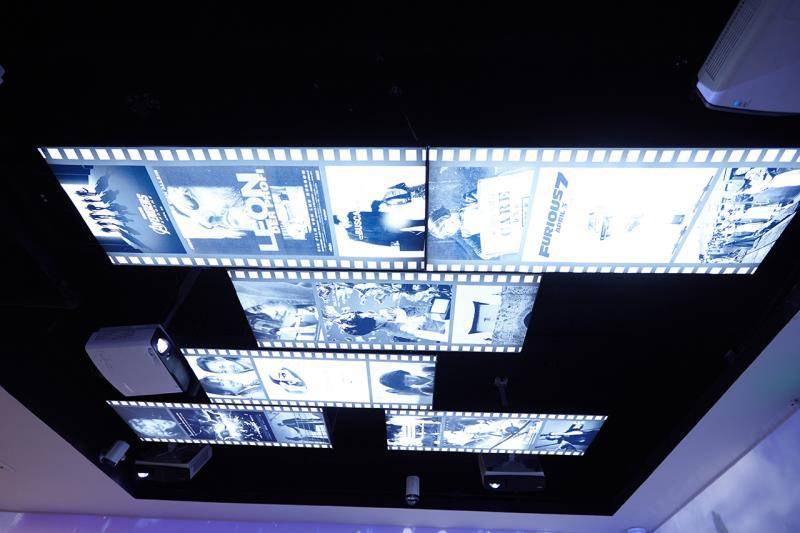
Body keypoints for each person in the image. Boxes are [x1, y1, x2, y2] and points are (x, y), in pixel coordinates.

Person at [332, 182, 425, 251]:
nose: (344, 217)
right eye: (341, 219)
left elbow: (371, 215)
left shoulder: (352, 214)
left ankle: (419, 195)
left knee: (414, 222)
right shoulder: (352, 235)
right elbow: (371, 241)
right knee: (415, 239)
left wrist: (375, 206)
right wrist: (388, 244)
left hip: (387, 222)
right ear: (340, 224)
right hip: (388, 236)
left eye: (341, 216)